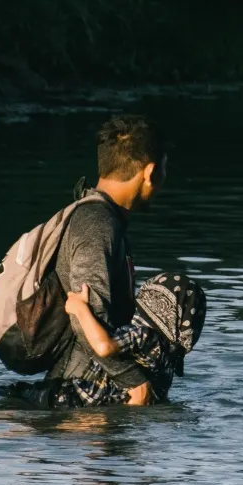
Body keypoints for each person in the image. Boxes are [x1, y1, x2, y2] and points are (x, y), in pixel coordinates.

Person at [25, 114, 171, 407]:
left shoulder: (104, 220)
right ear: (150, 172)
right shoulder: (97, 225)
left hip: (82, 399)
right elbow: (84, 316)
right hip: (76, 404)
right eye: (165, 169)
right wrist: (136, 383)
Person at [42, 272, 207, 407]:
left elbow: (104, 347)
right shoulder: (170, 363)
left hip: (73, 399)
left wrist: (80, 309)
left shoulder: (145, 335)